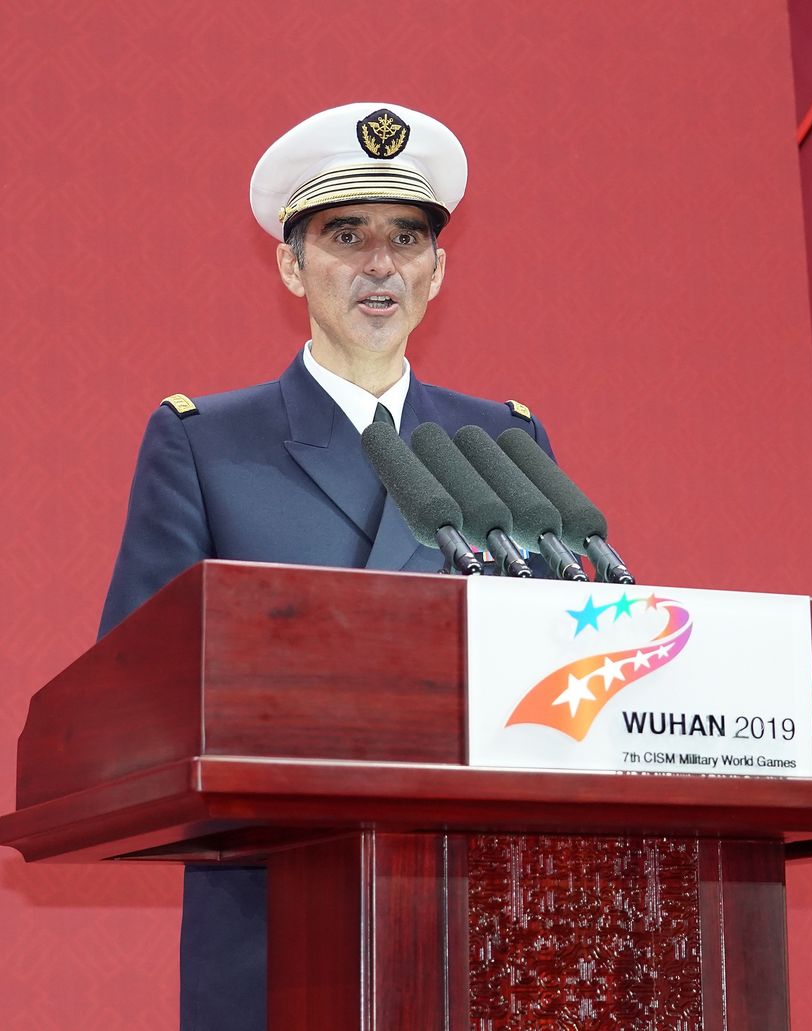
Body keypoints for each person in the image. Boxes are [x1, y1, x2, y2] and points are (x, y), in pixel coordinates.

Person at [99, 102, 555, 1030]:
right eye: (347, 236)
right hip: (276, 917)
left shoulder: (504, 444)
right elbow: (134, 687)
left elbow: (568, 666)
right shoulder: (206, 444)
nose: (380, 264)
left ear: (437, 270)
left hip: (476, 909)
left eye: (406, 238)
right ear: (290, 264)